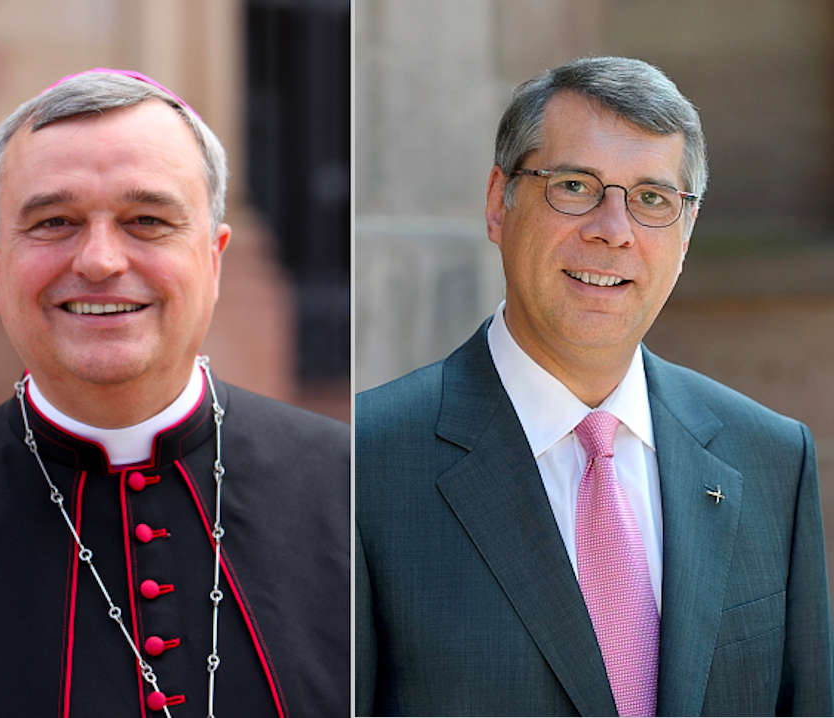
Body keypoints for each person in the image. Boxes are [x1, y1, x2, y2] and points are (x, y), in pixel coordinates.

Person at [0, 68, 348, 718]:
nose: (100, 261)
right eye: (54, 222)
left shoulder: (362, 501)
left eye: (147, 220)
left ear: (215, 260)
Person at [355, 56, 833, 717]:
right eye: (577, 186)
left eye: (652, 200)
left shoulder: (773, 458)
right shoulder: (366, 462)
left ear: (687, 232)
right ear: (500, 202)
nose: (614, 231)